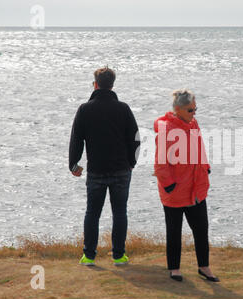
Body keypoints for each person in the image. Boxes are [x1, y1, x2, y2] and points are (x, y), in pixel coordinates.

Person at [69, 66, 140, 267]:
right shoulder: (123, 108)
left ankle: (89, 255)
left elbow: (76, 139)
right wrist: (131, 163)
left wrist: (74, 163)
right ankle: (118, 255)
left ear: (95, 84)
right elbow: (135, 139)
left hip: (96, 170)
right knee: (120, 212)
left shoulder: (85, 109)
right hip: (121, 169)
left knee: (92, 212)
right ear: (112, 85)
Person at [153, 89, 219, 282]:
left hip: (197, 187)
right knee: (174, 231)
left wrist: (205, 167)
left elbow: (200, 149)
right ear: (177, 109)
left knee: (201, 229)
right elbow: (160, 163)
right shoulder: (166, 129)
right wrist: (169, 185)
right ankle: (174, 269)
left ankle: (204, 267)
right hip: (174, 191)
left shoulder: (193, 123)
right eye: (190, 110)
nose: (194, 113)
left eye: (195, 109)